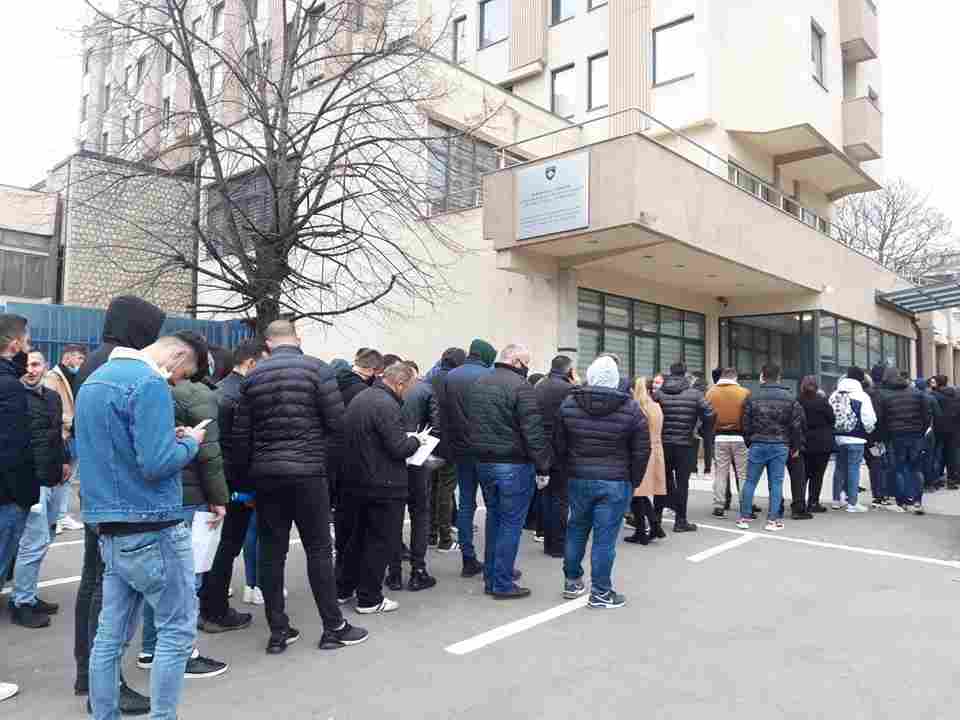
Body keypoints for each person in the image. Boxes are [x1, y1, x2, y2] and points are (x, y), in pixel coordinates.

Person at [77, 334, 206, 720]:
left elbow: (116, 451)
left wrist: (168, 439)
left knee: (110, 637)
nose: (178, 381)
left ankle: (104, 715)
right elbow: (156, 464)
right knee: (176, 631)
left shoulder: (94, 381)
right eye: (184, 373)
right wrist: (191, 442)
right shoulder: (148, 382)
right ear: (177, 355)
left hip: (109, 528)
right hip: (153, 525)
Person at [234, 320, 367, 654]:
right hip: (309, 473)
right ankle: (333, 627)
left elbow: (241, 437)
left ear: (267, 343)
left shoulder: (252, 377)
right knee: (319, 550)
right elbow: (338, 426)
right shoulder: (318, 370)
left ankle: (278, 631)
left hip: (267, 474)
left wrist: (245, 483)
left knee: (271, 552)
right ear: (297, 338)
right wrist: (326, 469)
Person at [74, 295, 165, 712]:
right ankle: (104, 686)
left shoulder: (95, 361)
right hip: (116, 496)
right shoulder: (117, 366)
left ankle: (89, 675)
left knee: (94, 582)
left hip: (98, 492)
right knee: (107, 591)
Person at [555, 356, 650, 609]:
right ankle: (600, 592)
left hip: (579, 477)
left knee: (576, 529)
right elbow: (642, 450)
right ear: (615, 379)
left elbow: (559, 443)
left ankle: (572, 581)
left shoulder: (569, 404)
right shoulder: (631, 408)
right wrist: (634, 481)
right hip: (615, 481)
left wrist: (567, 471)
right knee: (604, 539)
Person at [338, 362, 425, 612]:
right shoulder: (386, 404)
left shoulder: (362, 397)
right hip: (383, 484)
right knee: (379, 542)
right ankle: (369, 598)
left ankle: (343, 588)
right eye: (410, 386)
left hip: (358, 480)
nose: (409, 392)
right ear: (400, 383)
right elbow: (399, 448)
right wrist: (417, 441)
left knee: (356, 540)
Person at [468, 344, 551, 599]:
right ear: (515, 361)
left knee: (494, 519)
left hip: (484, 461)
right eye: (525, 363)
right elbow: (533, 431)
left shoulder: (479, 382)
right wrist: (543, 465)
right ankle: (502, 582)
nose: (527, 368)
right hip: (513, 464)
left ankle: (492, 575)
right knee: (511, 523)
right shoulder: (521, 387)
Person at [200, 338, 269, 628]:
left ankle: (209, 606)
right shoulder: (243, 395)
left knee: (216, 549)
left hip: (219, 483)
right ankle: (216, 611)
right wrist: (247, 491)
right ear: (251, 363)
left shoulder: (218, 390)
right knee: (226, 548)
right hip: (235, 486)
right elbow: (240, 449)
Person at [10, 351, 67, 628]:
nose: (31, 369)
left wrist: (64, 461)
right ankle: (21, 602)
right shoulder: (15, 397)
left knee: (44, 539)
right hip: (32, 481)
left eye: (36, 364)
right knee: (33, 543)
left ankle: (28, 594)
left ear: (45, 366)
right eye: (27, 364)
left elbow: (57, 434)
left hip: (54, 478)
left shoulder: (53, 397)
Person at [442, 338, 497, 578]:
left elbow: (444, 413)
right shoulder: (490, 375)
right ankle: (493, 564)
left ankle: (468, 558)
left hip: (460, 449)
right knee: (493, 506)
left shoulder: (451, 376)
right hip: (486, 450)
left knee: (466, 503)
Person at [385, 361, 439, 592]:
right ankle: (418, 570)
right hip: (418, 459)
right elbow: (436, 426)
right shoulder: (425, 390)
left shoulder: (384, 393)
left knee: (394, 517)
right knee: (420, 515)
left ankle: (394, 572)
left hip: (393, 461)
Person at [739, 364, 803, 531]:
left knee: (750, 481)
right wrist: (795, 446)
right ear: (779, 377)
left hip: (758, 443)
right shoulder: (790, 398)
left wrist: (749, 441)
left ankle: (744, 517)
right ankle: (772, 520)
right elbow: (796, 425)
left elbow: (745, 422)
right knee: (776, 483)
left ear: (762, 376)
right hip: (780, 445)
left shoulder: (752, 396)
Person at [653, 363, 715, 533]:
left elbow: (649, 413)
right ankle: (680, 521)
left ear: (670, 373)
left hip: (663, 444)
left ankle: (656, 519)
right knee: (682, 483)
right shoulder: (694, 394)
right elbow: (710, 413)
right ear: (685, 374)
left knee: (662, 482)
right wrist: (701, 430)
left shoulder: (658, 394)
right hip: (685, 444)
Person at [533, 355, 578, 558]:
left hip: (541, 447)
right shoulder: (569, 389)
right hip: (561, 448)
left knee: (546, 495)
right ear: (568, 370)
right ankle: (558, 545)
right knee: (561, 499)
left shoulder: (540, 385)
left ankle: (548, 541)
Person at [44, 343, 87, 533]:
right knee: (59, 477)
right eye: (79, 358)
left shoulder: (74, 376)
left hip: (73, 434)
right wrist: (71, 422)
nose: (82, 362)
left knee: (67, 479)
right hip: (63, 434)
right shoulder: (53, 378)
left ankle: (61, 516)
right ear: (67, 357)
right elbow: (50, 406)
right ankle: (55, 518)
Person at [427, 347, 465, 552]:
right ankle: (445, 539)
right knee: (446, 490)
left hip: (429, 442)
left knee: (432, 488)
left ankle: (431, 535)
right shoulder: (455, 382)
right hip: (450, 444)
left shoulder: (428, 379)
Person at [878, 367, 930, 513]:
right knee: (916, 468)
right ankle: (917, 501)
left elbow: (882, 420)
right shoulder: (918, 394)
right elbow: (927, 416)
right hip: (916, 435)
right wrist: (921, 431)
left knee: (899, 468)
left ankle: (903, 501)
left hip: (896, 436)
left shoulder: (885, 396)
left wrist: (886, 436)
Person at [829, 367, 877, 513]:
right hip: (856, 437)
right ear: (861, 380)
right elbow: (869, 419)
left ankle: (836, 500)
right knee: (853, 469)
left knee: (839, 468)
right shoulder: (862, 396)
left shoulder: (835, 394)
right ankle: (852, 503)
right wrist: (869, 430)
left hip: (838, 437)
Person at [624, 377, 666, 544]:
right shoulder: (656, 406)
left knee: (637, 492)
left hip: (642, 451)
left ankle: (644, 530)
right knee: (640, 493)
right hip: (655, 449)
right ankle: (651, 528)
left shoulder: (640, 407)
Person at [705, 368, 750, 519]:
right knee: (743, 474)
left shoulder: (710, 393)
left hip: (719, 437)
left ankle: (719, 506)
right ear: (734, 377)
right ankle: (745, 504)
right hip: (739, 437)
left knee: (721, 473)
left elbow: (707, 416)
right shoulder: (744, 392)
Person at [798, 375, 835, 513]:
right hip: (822, 443)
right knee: (817, 475)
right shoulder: (822, 401)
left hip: (804, 441)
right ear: (817, 386)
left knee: (802, 475)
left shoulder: (798, 401)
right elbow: (832, 419)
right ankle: (813, 502)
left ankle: (800, 502)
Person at [931, 375, 960, 490]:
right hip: (954, 429)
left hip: (938, 429)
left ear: (938, 383)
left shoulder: (934, 395)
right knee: (952, 454)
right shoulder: (955, 395)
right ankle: (952, 479)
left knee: (938, 453)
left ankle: (937, 478)